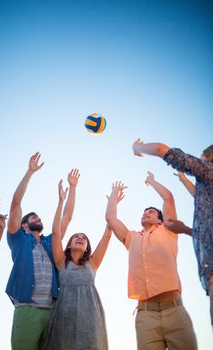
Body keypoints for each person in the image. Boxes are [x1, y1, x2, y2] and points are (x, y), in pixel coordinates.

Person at [106, 171, 198, 350]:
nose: (146, 213)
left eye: (151, 212)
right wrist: (114, 194)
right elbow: (111, 218)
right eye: (144, 212)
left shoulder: (168, 230)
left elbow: (168, 198)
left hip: (174, 310)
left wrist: (152, 181)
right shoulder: (131, 237)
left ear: (160, 219)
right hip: (145, 315)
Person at [132, 139, 213, 324]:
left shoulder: (208, 171)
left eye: (201, 157)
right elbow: (200, 196)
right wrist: (185, 229)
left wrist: (137, 148)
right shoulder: (207, 186)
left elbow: (162, 150)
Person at [6, 151, 80, 350]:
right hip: (27, 309)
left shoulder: (49, 242)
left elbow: (67, 217)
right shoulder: (18, 239)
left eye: (39, 217)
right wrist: (30, 172)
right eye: (33, 218)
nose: (38, 219)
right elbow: (15, 204)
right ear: (24, 226)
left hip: (52, 310)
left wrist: (72, 188)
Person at [42, 179, 124, 350]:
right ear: (69, 244)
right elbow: (57, 232)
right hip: (64, 317)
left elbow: (108, 234)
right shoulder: (61, 262)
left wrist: (113, 203)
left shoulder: (93, 263)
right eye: (76, 236)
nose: (80, 238)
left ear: (87, 246)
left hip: (91, 318)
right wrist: (60, 201)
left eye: (84, 238)